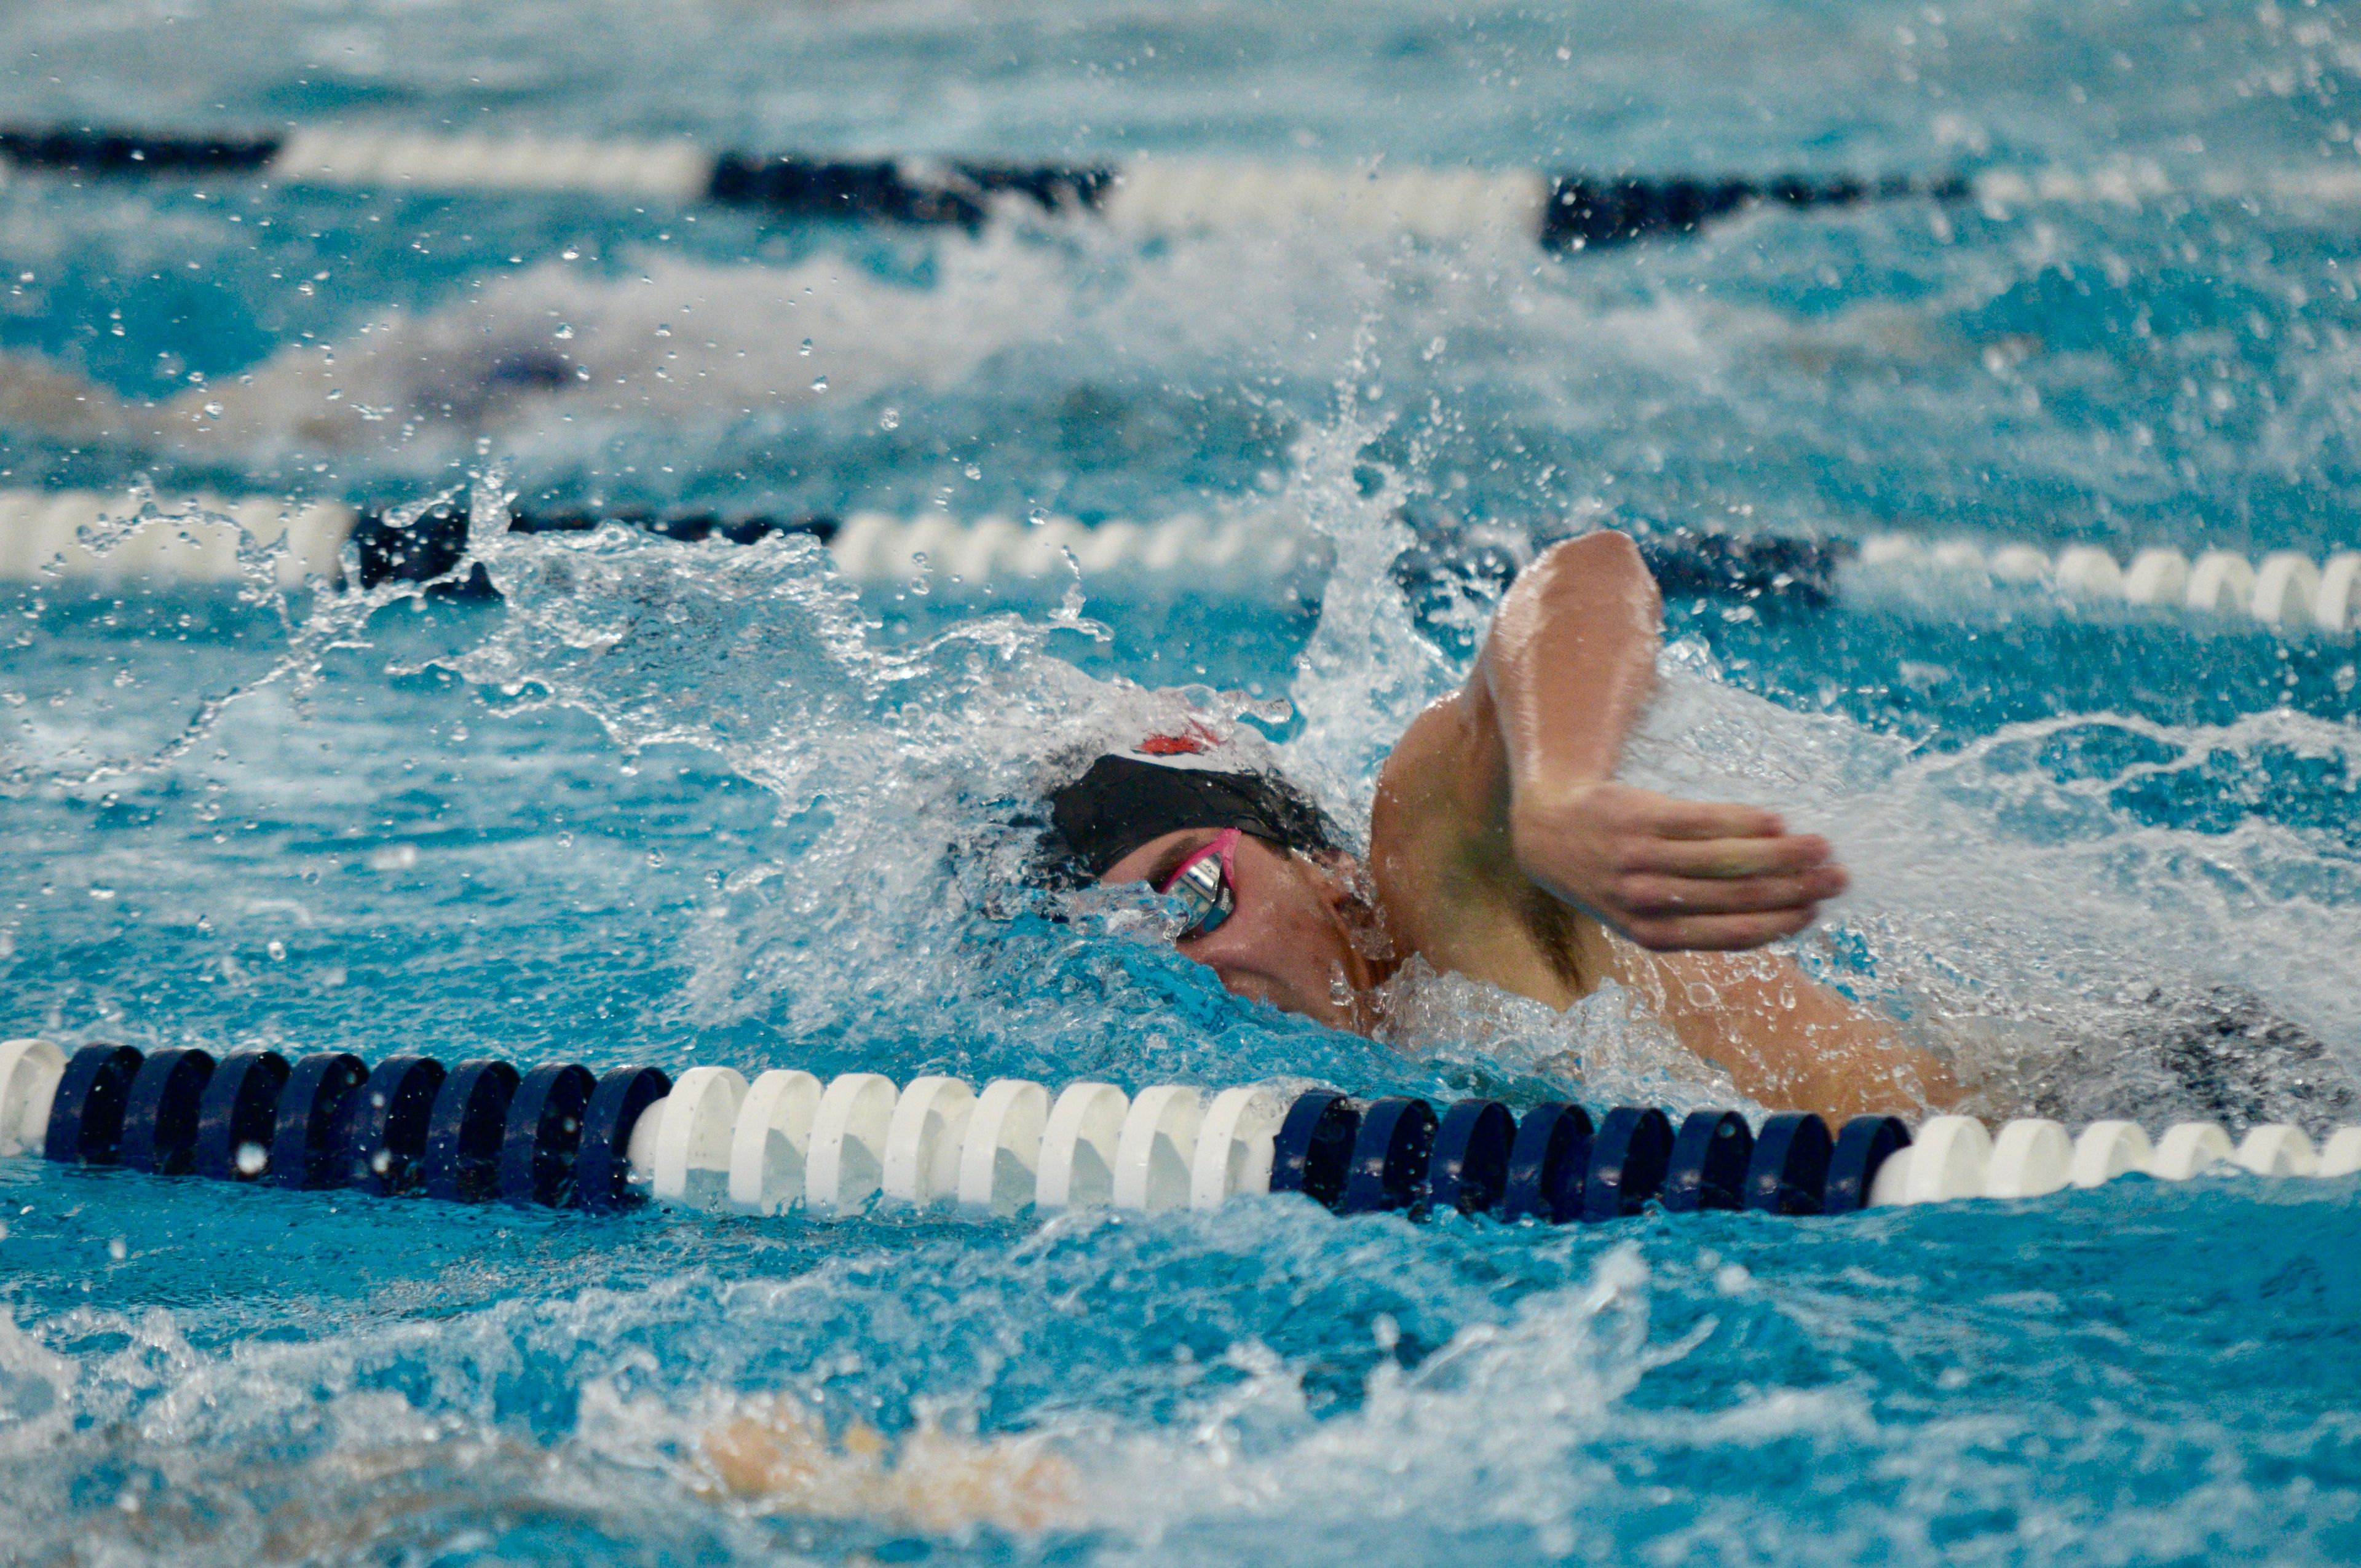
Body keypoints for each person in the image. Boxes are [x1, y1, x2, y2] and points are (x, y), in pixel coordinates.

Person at [1046, 531, 1958, 1123]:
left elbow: (1589, 574)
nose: (1194, 971)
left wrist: (1556, 795)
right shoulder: (1354, 1087)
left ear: (1327, 870)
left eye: (1195, 896)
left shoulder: (1431, 871)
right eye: (1141, 954)